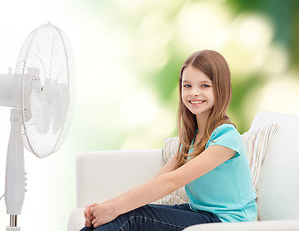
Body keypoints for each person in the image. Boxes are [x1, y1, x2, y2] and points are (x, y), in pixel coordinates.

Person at [80, 50, 257, 231]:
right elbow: (157, 180)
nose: (194, 93)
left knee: (131, 216)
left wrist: (113, 209)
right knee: (121, 214)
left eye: (204, 86)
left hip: (227, 223)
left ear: (221, 88)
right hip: (200, 213)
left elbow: (171, 182)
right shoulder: (192, 138)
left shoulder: (226, 138)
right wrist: (103, 207)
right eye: (187, 86)